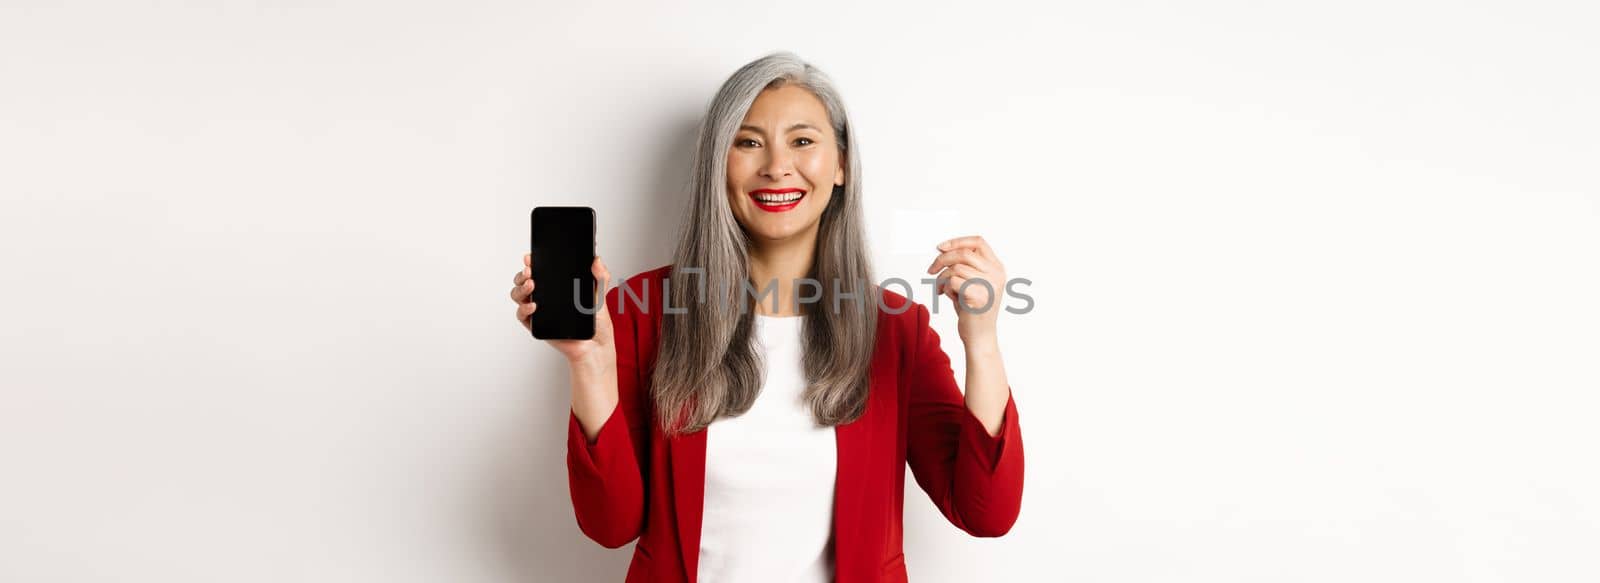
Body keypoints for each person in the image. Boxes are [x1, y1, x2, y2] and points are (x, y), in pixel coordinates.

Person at [510, 51, 1023, 583]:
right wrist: (589, 362)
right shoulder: (641, 313)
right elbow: (610, 524)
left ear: (842, 164)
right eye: (748, 142)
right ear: (718, 163)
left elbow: (985, 512)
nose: (776, 166)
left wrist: (981, 339)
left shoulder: (896, 327)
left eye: (802, 141)